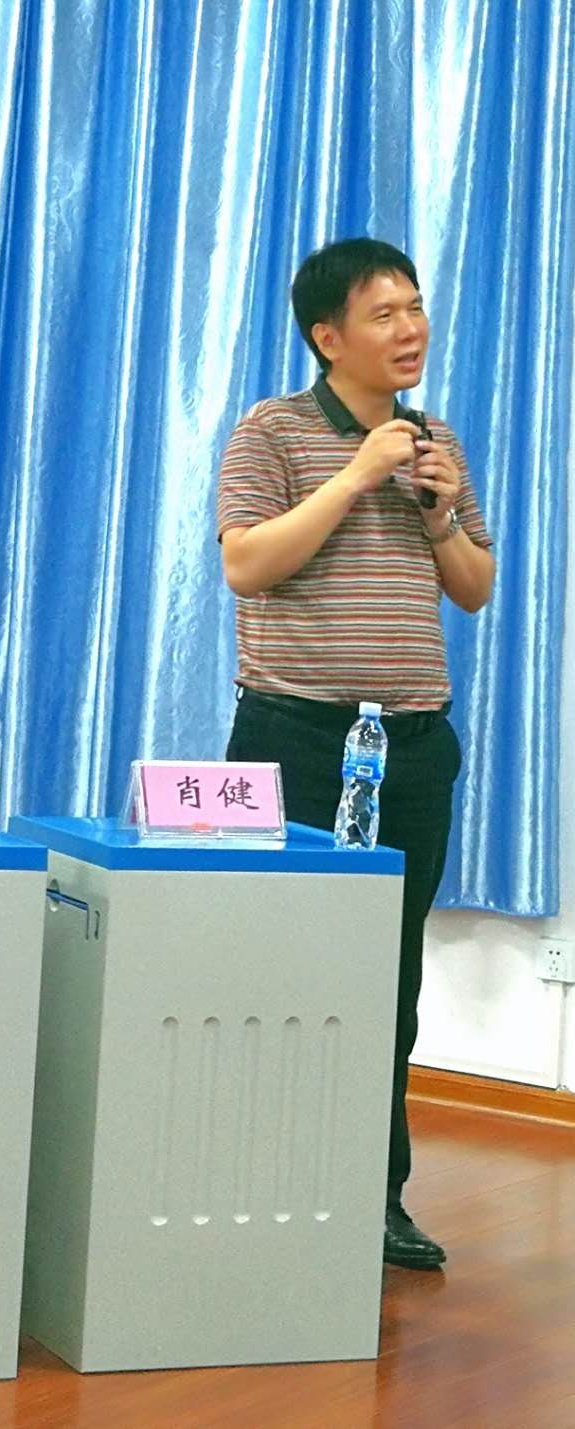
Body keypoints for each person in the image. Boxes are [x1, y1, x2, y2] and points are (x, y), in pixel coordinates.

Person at [217, 237, 494, 1271]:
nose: (411, 328)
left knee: (390, 974)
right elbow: (247, 564)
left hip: (410, 744)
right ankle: (256, 1187)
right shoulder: (273, 430)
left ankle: (373, 1197)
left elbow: (474, 587)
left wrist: (437, 512)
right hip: (293, 735)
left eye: (415, 307)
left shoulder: (435, 440)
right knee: (275, 965)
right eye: (385, 313)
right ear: (328, 337)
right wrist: (358, 473)